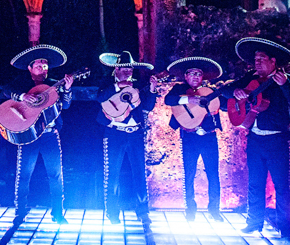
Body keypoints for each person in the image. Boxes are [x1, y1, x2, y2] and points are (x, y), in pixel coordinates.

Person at [228, 37, 290, 238]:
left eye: (262, 58)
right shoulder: (250, 79)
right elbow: (227, 92)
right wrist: (237, 92)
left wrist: (285, 84)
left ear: (273, 61)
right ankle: (253, 223)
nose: (257, 62)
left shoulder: (287, 79)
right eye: (255, 59)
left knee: (282, 184)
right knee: (255, 182)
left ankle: (285, 226)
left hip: (277, 140)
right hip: (255, 139)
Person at [8, 44, 74, 224]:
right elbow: (7, 91)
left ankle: (58, 213)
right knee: (24, 174)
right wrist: (22, 96)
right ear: (30, 68)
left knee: (55, 174)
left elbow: (65, 105)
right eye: (38, 65)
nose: (43, 69)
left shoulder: (54, 83)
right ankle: (20, 212)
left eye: (45, 66)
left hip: (50, 134)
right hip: (28, 135)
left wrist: (67, 89)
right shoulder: (21, 83)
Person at [94, 51, 155, 225]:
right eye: (124, 68)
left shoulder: (139, 85)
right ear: (116, 69)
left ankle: (143, 212)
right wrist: (118, 87)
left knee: (139, 172)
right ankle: (112, 212)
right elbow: (99, 98)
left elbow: (148, 106)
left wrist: (151, 90)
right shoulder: (106, 83)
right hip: (114, 133)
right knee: (112, 173)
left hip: (135, 133)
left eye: (130, 69)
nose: (128, 72)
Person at [164, 56, 225, 222]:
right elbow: (168, 100)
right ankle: (190, 208)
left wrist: (227, 95)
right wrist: (188, 99)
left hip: (209, 137)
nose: (195, 77)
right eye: (191, 74)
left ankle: (214, 209)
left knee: (213, 173)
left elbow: (224, 104)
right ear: (186, 76)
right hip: (189, 137)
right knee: (189, 173)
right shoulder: (179, 89)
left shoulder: (210, 92)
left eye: (198, 74)